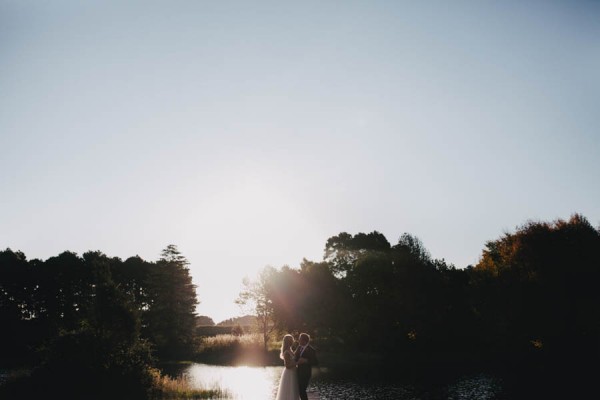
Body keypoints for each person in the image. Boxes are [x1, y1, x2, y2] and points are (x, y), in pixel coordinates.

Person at [275, 334, 299, 400]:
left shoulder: (291, 351)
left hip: (294, 373)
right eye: (291, 340)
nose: (293, 342)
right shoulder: (286, 353)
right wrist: (298, 363)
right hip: (289, 373)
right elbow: (287, 366)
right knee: (289, 390)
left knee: (293, 390)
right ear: (288, 342)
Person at [294, 333, 318, 400]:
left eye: (300, 339)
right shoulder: (299, 347)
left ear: (304, 340)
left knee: (302, 390)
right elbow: (295, 358)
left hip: (306, 374)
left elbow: (315, 362)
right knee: (300, 390)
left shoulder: (311, 350)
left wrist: (306, 361)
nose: (299, 341)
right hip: (298, 373)